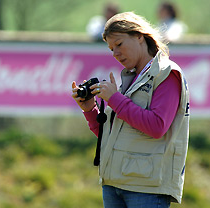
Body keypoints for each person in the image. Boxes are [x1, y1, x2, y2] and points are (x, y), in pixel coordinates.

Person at [72, 12, 189, 207]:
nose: (115, 53)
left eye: (119, 44)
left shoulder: (166, 73)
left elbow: (157, 126)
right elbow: (109, 136)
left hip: (147, 188)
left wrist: (114, 98)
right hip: (114, 183)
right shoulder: (132, 77)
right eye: (111, 49)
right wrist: (89, 109)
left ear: (139, 36)